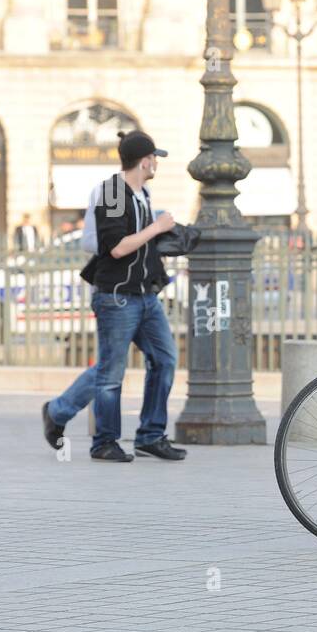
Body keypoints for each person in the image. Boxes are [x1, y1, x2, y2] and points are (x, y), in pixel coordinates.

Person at [81, 130, 183, 462]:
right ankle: (104, 442)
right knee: (111, 373)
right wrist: (156, 228)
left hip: (144, 295)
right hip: (117, 296)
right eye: (154, 158)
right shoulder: (113, 192)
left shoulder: (142, 194)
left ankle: (151, 435)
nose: (156, 164)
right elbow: (116, 247)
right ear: (144, 161)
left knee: (165, 359)